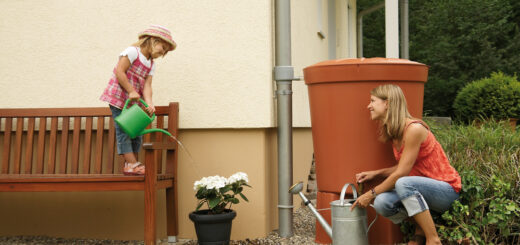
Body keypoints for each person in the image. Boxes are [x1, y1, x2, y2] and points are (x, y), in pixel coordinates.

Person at [350, 84, 461, 245]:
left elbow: (402, 173)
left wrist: (369, 194)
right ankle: (420, 230)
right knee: (382, 203)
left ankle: (433, 239)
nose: (369, 106)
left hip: (446, 190)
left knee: (402, 183)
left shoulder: (414, 129)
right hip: (420, 188)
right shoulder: (395, 131)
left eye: (373, 101)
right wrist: (377, 173)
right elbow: (407, 166)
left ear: (387, 103)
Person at [100, 24, 176, 175]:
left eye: (166, 51)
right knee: (124, 130)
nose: (163, 52)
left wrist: (149, 103)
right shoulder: (132, 52)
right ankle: (133, 164)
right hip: (119, 97)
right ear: (153, 40)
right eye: (163, 47)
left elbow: (147, 86)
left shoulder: (151, 64)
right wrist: (131, 90)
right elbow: (119, 71)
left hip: (133, 102)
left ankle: (131, 164)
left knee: (136, 131)